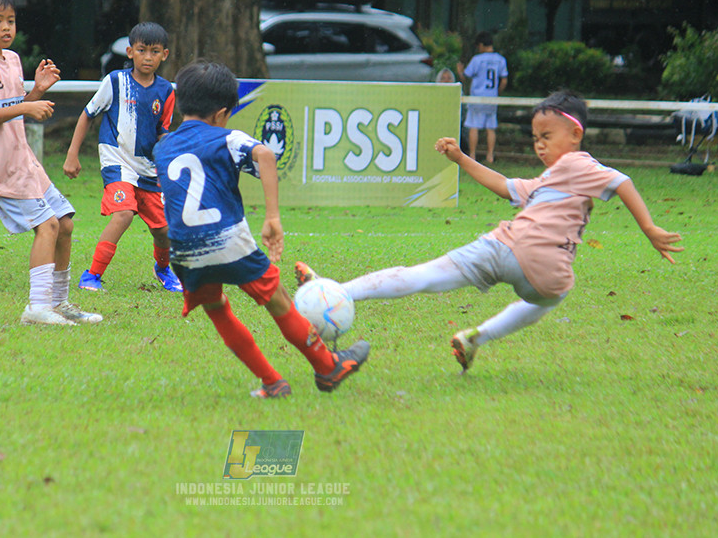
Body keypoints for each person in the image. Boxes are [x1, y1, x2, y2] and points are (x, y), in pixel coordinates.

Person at [296, 91, 682, 374]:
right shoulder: (552, 179)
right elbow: (505, 186)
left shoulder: (580, 163)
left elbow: (623, 180)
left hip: (504, 248)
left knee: (424, 276)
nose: (539, 145)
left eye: (547, 135)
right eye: (535, 138)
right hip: (546, 275)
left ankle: (339, 292)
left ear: (576, 134)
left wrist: (649, 227)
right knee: (551, 299)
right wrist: (462, 158)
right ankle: (475, 338)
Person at [153, 60, 370, 398]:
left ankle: (272, 381)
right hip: (227, 241)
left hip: (185, 250)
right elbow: (265, 155)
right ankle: (328, 368)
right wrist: (272, 216)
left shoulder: (163, 147)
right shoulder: (225, 137)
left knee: (217, 309)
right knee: (279, 300)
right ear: (221, 113)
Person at [0, 0, 100, 326]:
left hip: (24, 160)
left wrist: (37, 89)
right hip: (1, 166)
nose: (7, 27)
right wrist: (28, 103)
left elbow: (12, 106)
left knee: (64, 223)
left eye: (11, 20)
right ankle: (36, 308)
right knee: (47, 225)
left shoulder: (11, 59)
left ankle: (59, 303)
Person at [62, 22, 182, 293]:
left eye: (154, 51)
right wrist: (73, 154)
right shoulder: (115, 81)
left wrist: (173, 155)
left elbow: (162, 132)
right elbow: (88, 114)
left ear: (164, 55)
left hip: (148, 169)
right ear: (130, 52)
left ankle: (163, 270)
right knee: (124, 214)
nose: (147, 57)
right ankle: (92, 275)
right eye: (141, 50)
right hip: (117, 161)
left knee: (163, 230)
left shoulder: (166, 92)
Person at [456, 31, 507, 163]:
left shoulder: (477, 59)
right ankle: (490, 155)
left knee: (474, 126)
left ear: (481, 45)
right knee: (491, 127)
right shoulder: (500, 59)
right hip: (492, 97)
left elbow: (466, 76)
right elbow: (504, 80)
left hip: (477, 97)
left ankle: (472, 155)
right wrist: (498, 92)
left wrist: (460, 71)